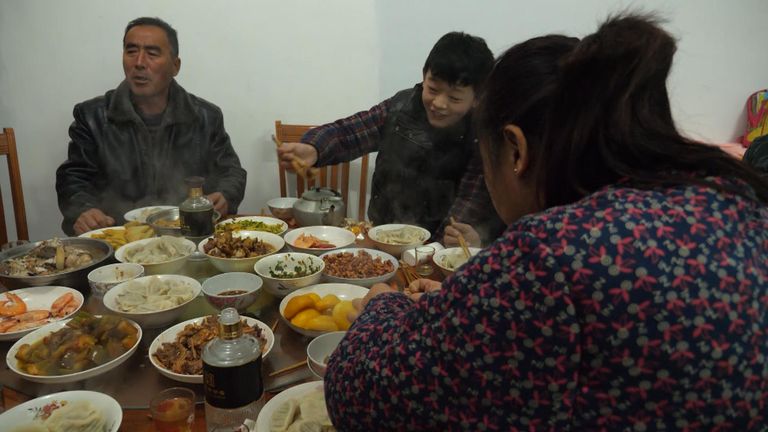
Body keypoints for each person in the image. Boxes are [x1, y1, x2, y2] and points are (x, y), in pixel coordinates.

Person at [324, 15, 768, 430]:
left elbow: (359, 396)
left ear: (515, 151)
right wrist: (466, 303)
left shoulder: (550, 253)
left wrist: (385, 306)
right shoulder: (733, 198)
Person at [277, 32, 504, 243]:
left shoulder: (482, 137)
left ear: (477, 97)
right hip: (380, 236)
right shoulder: (401, 107)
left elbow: (468, 207)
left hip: (436, 250)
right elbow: (349, 132)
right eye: (433, 89)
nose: (439, 104)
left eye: (454, 98)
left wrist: (439, 247)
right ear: (424, 76)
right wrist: (313, 148)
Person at [56, 17, 246, 235]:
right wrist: (84, 210)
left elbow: (232, 171)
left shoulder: (205, 116)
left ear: (175, 66)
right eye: (131, 51)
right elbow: (73, 177)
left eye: (152, 53)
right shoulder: (93, 116)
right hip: (118, 238)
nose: (139, 62)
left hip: (187, 236)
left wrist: (226, 195)